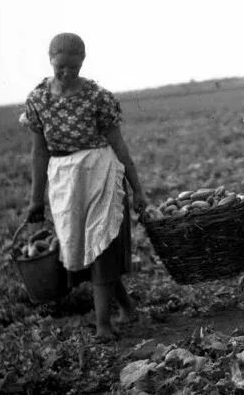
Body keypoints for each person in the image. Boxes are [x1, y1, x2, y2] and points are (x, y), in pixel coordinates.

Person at [23, 33, 148, 342]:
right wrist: (35, 199)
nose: (67, 74)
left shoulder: (98, 97)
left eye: (73, 67)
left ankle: (103, 324)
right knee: (86, 247)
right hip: (65, 179)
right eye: (61, 67)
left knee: (102, 246)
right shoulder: (38, 99)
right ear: (50, 59)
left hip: (100, 174)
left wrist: (137, 189)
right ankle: (127, 308)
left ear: (83, 62)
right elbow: (39, 152)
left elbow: (119, 145)